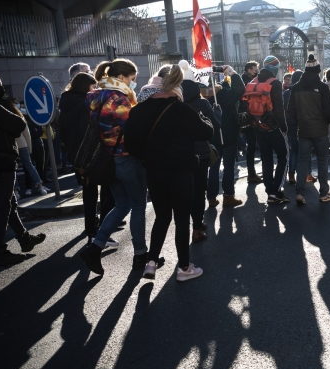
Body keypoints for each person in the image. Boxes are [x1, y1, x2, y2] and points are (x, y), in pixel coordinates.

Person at [125, 65, 214, 281]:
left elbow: (131, 145)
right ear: (176, 87)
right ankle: (184, 267)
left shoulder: (138, 110)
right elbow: (206, 132)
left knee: (162, 216)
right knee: (182, 218)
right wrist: (206, 118)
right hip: (181, 171)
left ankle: (152, 262)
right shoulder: (181, 109)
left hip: (153, 171)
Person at [79, 58, 148, 275]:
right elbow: (134, 131)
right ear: (120, 78)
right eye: (131, 79)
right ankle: (140, 255)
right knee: (137, 206)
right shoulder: (119, 100)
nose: (133, 83)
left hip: (107, 160)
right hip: (126, 158)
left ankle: (95, 247)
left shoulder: (96, 96)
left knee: (121, 205)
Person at [0, 70, 46, 267]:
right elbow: (18, 123)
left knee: (9, 204)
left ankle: (24, 239)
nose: (1, 88)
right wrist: (4, 101)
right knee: (1, 208)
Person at [59, 72, 117, 247]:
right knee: (108, 190)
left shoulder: (65, 104)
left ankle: (91, 231)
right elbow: (90, 131)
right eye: (93, 87)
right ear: (86, 87)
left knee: (89, 193)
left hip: (77, 156)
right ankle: (101, 234)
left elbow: (63, 133)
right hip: (93, 154)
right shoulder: (85, 104)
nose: (96, 90)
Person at [180, 60, 222, 241]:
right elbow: (215, 126)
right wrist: (217, 112)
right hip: (201, 154)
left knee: (185, 192)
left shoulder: (175, 103)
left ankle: (193, 224)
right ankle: (197, 227)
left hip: (180, 153)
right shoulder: (203, 104)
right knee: (199, 192)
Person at [287, 55, 330, 204]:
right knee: (322, 161)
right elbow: (328, 111)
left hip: (303, 130)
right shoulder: (322, 88)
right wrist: (325, 122)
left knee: (303, 161)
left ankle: (299, 194)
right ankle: (323, 193)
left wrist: (300, 121)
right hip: (320, 130)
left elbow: (291, 112)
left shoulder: (295, 88)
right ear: (317, 71)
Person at [250, 55, 290, 203]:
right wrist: (284, 126)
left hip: (258, 126)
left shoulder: (253, 82)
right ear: (274, 68)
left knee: (266, 159)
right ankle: (277, 189)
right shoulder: (275, 83)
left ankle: (270, 192)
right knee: (283, 156)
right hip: (273, 126)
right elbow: (279, 109)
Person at [206, 65, 245, 207]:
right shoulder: (226, 94)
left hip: (213, 135)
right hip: (229, 135)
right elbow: (240, 89)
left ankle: (211, 197)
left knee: (214, 167)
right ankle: (228, 196)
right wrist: (233, 73)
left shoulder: (205, 96)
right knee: (228, 166)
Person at [283, 70, 314, 184]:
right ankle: (307, 174)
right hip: (303, 125)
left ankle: (291, 174)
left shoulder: (286, 93)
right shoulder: (305, 92)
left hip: (290, 125)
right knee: (306, 150)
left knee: (293, 151)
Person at [241, 61, 263, 183]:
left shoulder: (253, 80)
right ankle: (251, 173)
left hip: (253, 114)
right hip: (249, 116)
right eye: (255, 69)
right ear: (249, 70)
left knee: (253, 145)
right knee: (252, 145)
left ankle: (253, 173)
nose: (257, 71)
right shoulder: (245, 81)